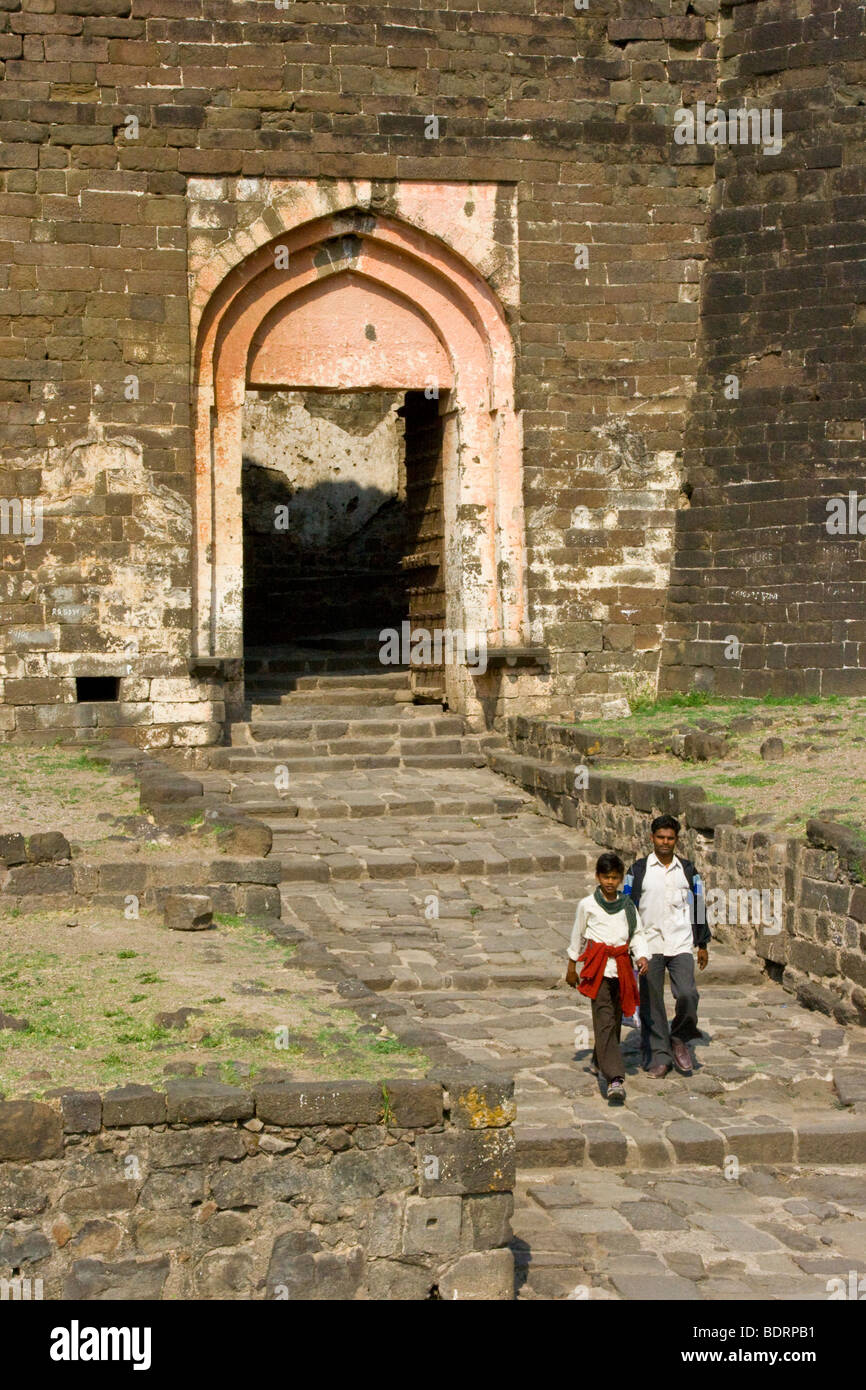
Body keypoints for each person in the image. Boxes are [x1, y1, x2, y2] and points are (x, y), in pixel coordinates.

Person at [623, 814, 710, 1078]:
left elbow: (698, 905)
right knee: (652, 1001)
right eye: (660, 837)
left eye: (670, 838)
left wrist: (703, 943)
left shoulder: (688, 870)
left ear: (676, 840)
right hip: (649, 945)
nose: (665, 842)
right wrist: (627, 943)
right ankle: (659, 1055)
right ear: (652, 838)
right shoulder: (636, 871)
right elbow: (628, 906)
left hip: (681, 942)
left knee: (687, 994)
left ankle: (679, 1036)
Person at [565, 851, 650, 1105]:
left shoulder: (627, 906)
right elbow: (577, 934)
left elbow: (637, 934)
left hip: (622, 967)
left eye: (614, 877)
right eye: (605, 877)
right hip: (597, 968)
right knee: (603, 1018)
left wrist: (642, 956)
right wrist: (571, 966)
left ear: (621, 879)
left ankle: (598, 1058)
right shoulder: (587, 905)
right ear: (597, 877)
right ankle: (615, 1079)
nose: (610, 882)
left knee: (614, 1019)